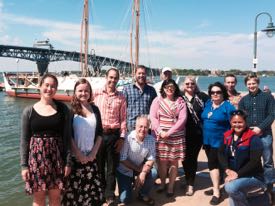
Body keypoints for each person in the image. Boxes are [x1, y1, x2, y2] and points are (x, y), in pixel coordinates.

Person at [20, 74, 71, 206]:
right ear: (40, 86)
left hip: (57, 159)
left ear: (56, 89)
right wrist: (24, 166)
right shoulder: (29, 111)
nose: (49, 89)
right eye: (46, 85)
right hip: (36, 160)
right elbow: (25, 141)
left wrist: (68, 162)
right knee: (39, 199)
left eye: (53, 86)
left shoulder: (63, 109)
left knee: (55, 198)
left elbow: (67, 138)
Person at [62, 79, 104, 205]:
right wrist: (79, 154)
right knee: (75, 195)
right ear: (75, 92)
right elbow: (68, 136)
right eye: (80, 90)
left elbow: (100, 134)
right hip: (76, 160)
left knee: (91, 194)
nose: (83, 93)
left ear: (90, 92)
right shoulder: (70, 111)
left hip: (91, 159)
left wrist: (93, 154)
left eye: (86, 90)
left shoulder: (95, 110)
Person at [93, 67, 127, 206]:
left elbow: (124, 119)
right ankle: (100, 194)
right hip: (98, 135)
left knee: (112, 168)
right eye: (110, 77)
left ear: (118, 80)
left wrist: (122, 138)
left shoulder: (121, 97)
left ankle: (110, 195)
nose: (112, 80)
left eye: (115, 78)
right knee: (99, 167)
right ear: (106, 77)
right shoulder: (95, 94)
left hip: (113, 136)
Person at [218, 110, 266, 206]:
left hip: (253, 176)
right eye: (234, 122)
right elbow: (220, 153)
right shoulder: (227, 135)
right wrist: (227, 170)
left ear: (245, 122)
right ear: (230, 122)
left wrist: (237, 174)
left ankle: (262, 197)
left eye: (240, 122)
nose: (237, 125)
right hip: (234, 175)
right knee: (233, 197)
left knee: (230, 187)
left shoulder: (253, 138)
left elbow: (254, 161)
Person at [238, 73, 275, 194]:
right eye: (249, 84)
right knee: (252, 161)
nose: (251, 85)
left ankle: (269, 188)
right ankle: (256, 184)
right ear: (246, 85)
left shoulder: (268, 97)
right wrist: (248, 130)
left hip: (265, 134)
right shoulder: (243, 100)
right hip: (249, 135)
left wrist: (260, 128)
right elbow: (241, 118)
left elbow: (272, 114)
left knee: (268, 162)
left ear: (258, 83)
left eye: (253, 83)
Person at [150, 79, 187, 197]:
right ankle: (162, 183)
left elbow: (182, 119)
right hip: (160, 136)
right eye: (167, 86)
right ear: (163, 88)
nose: (169, 88)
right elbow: (153, 117)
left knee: (173, 162)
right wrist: (160, 132)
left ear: (175, 87)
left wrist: (169, 132)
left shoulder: (180, 101)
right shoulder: (157, 100)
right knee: (162, 163)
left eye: (171, 86)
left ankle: (171, 186)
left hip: (175, 137)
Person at [201, 81, 235, 205]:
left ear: (223, 93)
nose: (215, 94)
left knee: (213, 165)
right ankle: (218, 187)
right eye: (212, 92)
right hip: (207, 141)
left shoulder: (227, 106)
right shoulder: (208, 104)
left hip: (220, 142)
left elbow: (234, 124)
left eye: (218, 92)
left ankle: (216, 192)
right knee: (216, 165)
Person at [116, 115, 157, 205]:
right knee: (125, 199)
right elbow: (122, 159)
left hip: (139, 168)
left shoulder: (151, 139)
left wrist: (143, 172)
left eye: (146, 127)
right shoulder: (127, 137)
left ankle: (142, 194)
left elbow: (151, 159)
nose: (143, 129)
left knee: (153, 172)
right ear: (135, 126)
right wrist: (139, 169)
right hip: (125, 170)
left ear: (149, 128)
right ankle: (128, 185)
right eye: (140, 126)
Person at [180, 76, 209, 196]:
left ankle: (190, 184)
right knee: (184, 158)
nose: (190, 85)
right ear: (183, 85)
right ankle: (188, 180)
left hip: (198, 134)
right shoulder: (180, 98)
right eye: (187, 84)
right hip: (182, 133)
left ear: (195, 85)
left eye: (192, 83)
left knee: (192, 158)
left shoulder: (201, 96)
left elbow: (212, 105)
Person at [123, 65, 157, 131]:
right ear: (135, 74)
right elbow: (123, 110)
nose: (141, 75)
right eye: (139, 73)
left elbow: (155, 110)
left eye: (143, 73)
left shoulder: (152, 90)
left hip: (146, 128)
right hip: (131, 127)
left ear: (146, 75)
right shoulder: (127, 89)